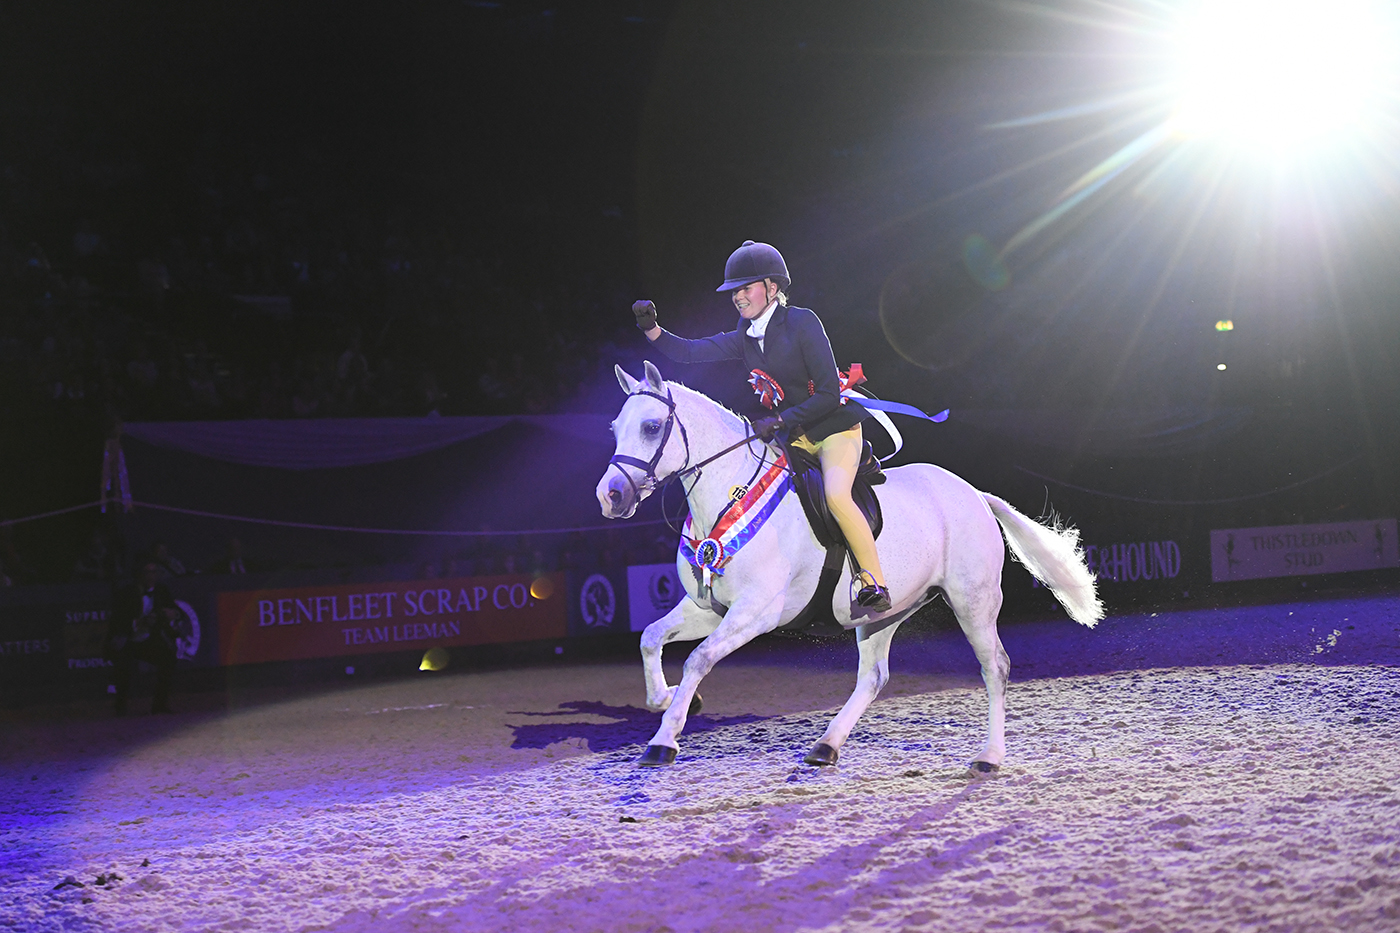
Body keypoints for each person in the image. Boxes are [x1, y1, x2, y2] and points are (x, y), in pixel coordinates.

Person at [632, 240, 891, 611]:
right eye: (734, 291)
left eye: (745, 288)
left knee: (835, 495)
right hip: (795, 437)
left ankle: (873, 581)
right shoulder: (745, 335)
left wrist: (782, 419)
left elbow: (830, 395)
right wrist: (653, 331)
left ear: (772, 287)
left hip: (834, 429)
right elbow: (691, 352)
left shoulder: (802, 322)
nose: (737, 297)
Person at [105, 558, 185, 714]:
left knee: (168, 658)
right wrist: (140, 622)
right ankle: (120, 707)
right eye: (148, 572)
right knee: (122, 666)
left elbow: (177, 611)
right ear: (139, 574)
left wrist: (173, 613)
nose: (151, 576)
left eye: (154, 572)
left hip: (148, 640)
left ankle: (159, 705)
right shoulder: (126, 593)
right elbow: (118, 622)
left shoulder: (161, 590)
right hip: (127, 640)